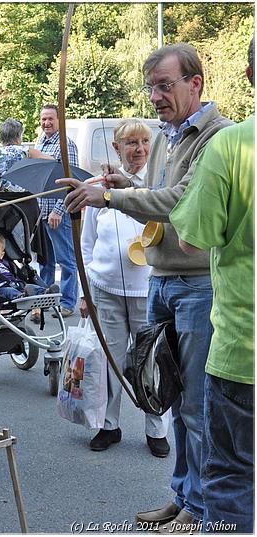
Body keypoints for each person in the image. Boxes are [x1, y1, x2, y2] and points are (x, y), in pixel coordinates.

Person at [60, 44, 233, 533]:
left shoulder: (217, 136)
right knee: (175, 399)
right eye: (150, 86)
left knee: (196, 404)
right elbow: (157, 185)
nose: (155, 96)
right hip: (163, 280)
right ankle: (184, 499)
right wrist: (126, 178)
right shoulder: (168, 135)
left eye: (165, 85)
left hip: (197, 284)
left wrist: (112, 194)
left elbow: (182, 199)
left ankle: (200, 509)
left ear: (195, 83)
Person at [169, 37, 254, 534]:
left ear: (248, 74)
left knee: (232, 482)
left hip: (242, 354)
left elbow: (192, 242)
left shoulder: (230, 144)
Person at [77, 119, 171, 457]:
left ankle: (155, 428)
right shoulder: (98, 186)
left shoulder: (158, 185)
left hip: (147, 290)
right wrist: (85, 290)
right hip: (106, 289)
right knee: (110, 362)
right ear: (117, 148)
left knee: (151, 363)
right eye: (131, 143)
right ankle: (109, 425)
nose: (140, 149)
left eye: (145, 142)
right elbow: (86, 244)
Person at [35, 104, 79, 317]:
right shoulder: (40, 143)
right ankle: (44, 301)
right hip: (42, 212)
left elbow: (71, 182)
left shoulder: (65, 145)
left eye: (50, 119)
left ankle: (68, 303)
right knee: (46, 261)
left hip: (58, 214)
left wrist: (59, 211)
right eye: (43, 119)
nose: (46, 123)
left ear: (60, 120)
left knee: (66, 259)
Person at [0, 232, 58, 302]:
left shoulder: (6, 263)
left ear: (2, 255)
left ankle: (47, 292)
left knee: (29, 287)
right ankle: (21, 297)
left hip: (15, 284)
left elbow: (14, 274)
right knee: (9, 291)